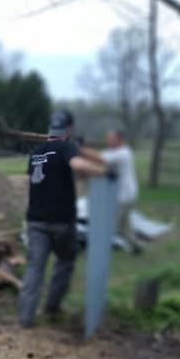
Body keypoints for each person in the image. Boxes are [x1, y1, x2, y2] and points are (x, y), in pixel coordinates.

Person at [18, 110, 111, 328]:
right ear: (68, 129)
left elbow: (28, 183)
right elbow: (78, 166)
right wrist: (104, 172)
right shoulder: (67, 147)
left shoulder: (36, 152)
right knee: (66, 260)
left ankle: (25, 317)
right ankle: (51, 306)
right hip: (61, 221)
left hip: (35, 220)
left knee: (34, 268)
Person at [100, 129, 141, 253]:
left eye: (111, 138)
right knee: (125, 225)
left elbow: (100, 158)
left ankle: (101, 250)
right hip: (128, 194)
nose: (108, 140)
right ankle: (135, 246)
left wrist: (80, 150)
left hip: (124, 195)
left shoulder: (123, 153)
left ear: (119, 139)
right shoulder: (117, 152)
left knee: (110, 223)